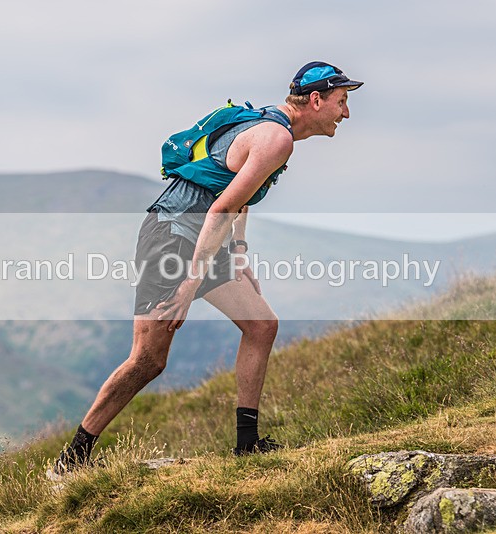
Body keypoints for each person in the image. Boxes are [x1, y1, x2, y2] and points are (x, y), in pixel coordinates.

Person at [49, 61, 363, 477]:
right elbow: (222, 206)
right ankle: (70, 463)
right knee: (148, 360)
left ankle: (247, 445)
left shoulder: (270, 128)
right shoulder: (276, 139)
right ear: (317, 100)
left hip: (200, 241)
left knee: (261, 324)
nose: (345, 113)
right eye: (341, 102)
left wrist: (237, 253)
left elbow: (238, 193)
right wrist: (188, 283)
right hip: (171, 239)